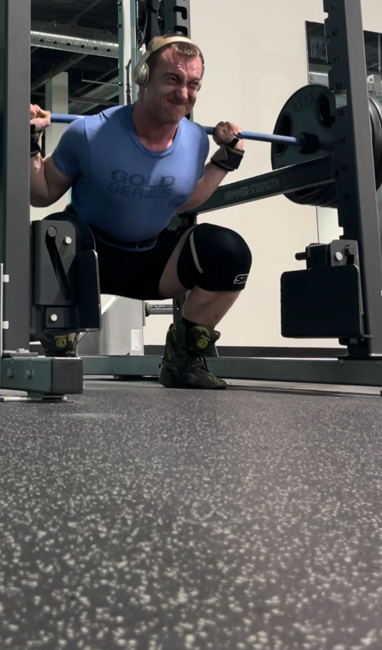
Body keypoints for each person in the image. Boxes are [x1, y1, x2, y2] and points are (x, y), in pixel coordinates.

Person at [30, 34, 252, 390]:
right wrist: (30, 144)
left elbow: (180, 197)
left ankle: (182, 360)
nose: (184, 94)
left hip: (152, 264)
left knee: (230, 250)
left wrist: (226, 160)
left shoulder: (195, 140)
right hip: (90, 260)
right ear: (143, 77)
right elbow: (41, 194)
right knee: (54, 233)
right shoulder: (89, 133)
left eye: (193, 84)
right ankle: (59, 355)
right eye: (173, 80)